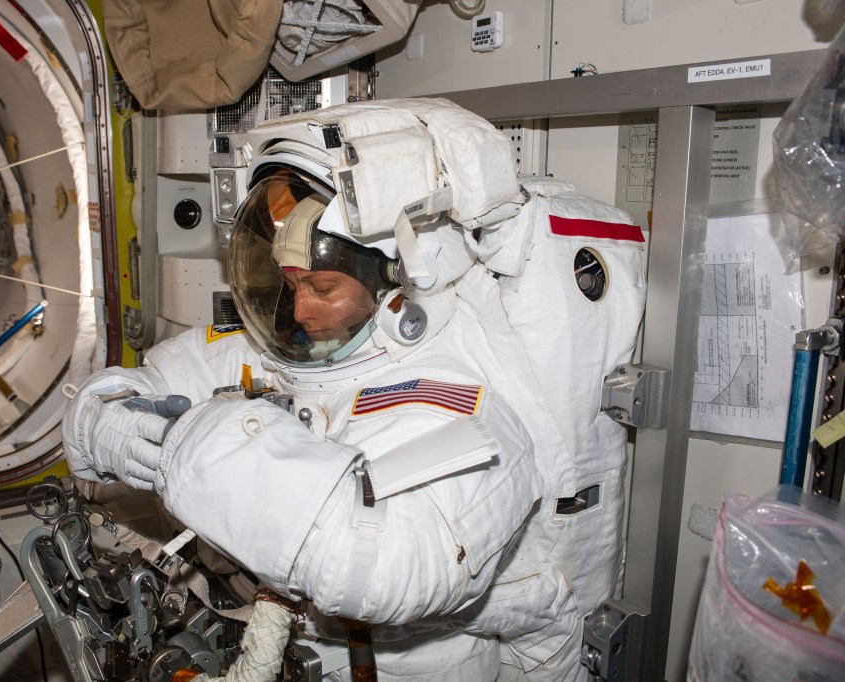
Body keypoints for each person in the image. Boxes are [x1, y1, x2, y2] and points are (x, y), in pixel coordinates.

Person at [63, 98, 642, 680]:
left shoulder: (458, 391)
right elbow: (115, 395)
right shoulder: (268, 349)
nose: (300, 307)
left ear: (396, 281)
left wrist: (192, 449)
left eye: (322, 286)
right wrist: (103, 422)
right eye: (290, 283)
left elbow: (393, 566)